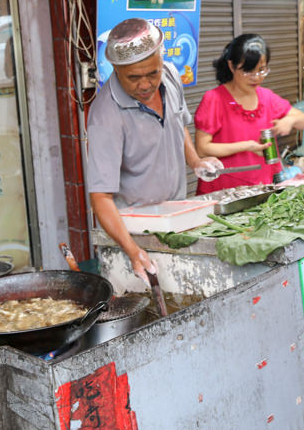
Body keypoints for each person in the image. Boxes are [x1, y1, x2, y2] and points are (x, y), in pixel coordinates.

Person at [87, 18, 222, 284]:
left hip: (178, 213)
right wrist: (132, 250)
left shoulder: (170, 74)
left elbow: (178, 123)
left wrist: (195, 161)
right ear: (115, 69)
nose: (146, 84)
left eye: (152, 73)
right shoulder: (105, 116)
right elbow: (101, 197)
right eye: (134, 78)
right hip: (137, 230)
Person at [194, 34, 304, 194]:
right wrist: (247, 146)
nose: (256, 78)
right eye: (249, 71)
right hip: (224, 190)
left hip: (261, 188)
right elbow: (202, 148)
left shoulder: (267, 97)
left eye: (262, 70)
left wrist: (289, 121)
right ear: (231, 66)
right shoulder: (214, 99)